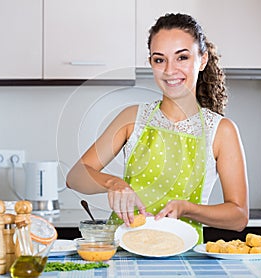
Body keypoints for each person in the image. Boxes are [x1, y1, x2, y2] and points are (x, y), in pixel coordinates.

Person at [66, 13, 249, 243]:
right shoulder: (132, 117)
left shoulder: (221, 131)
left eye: (182, 57)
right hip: (122, 254)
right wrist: (113, 183)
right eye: (159, 59)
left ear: (202, 60)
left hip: (183, 257)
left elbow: (238, 217)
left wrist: (187, 209)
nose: (170, 70)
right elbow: (75, 176)